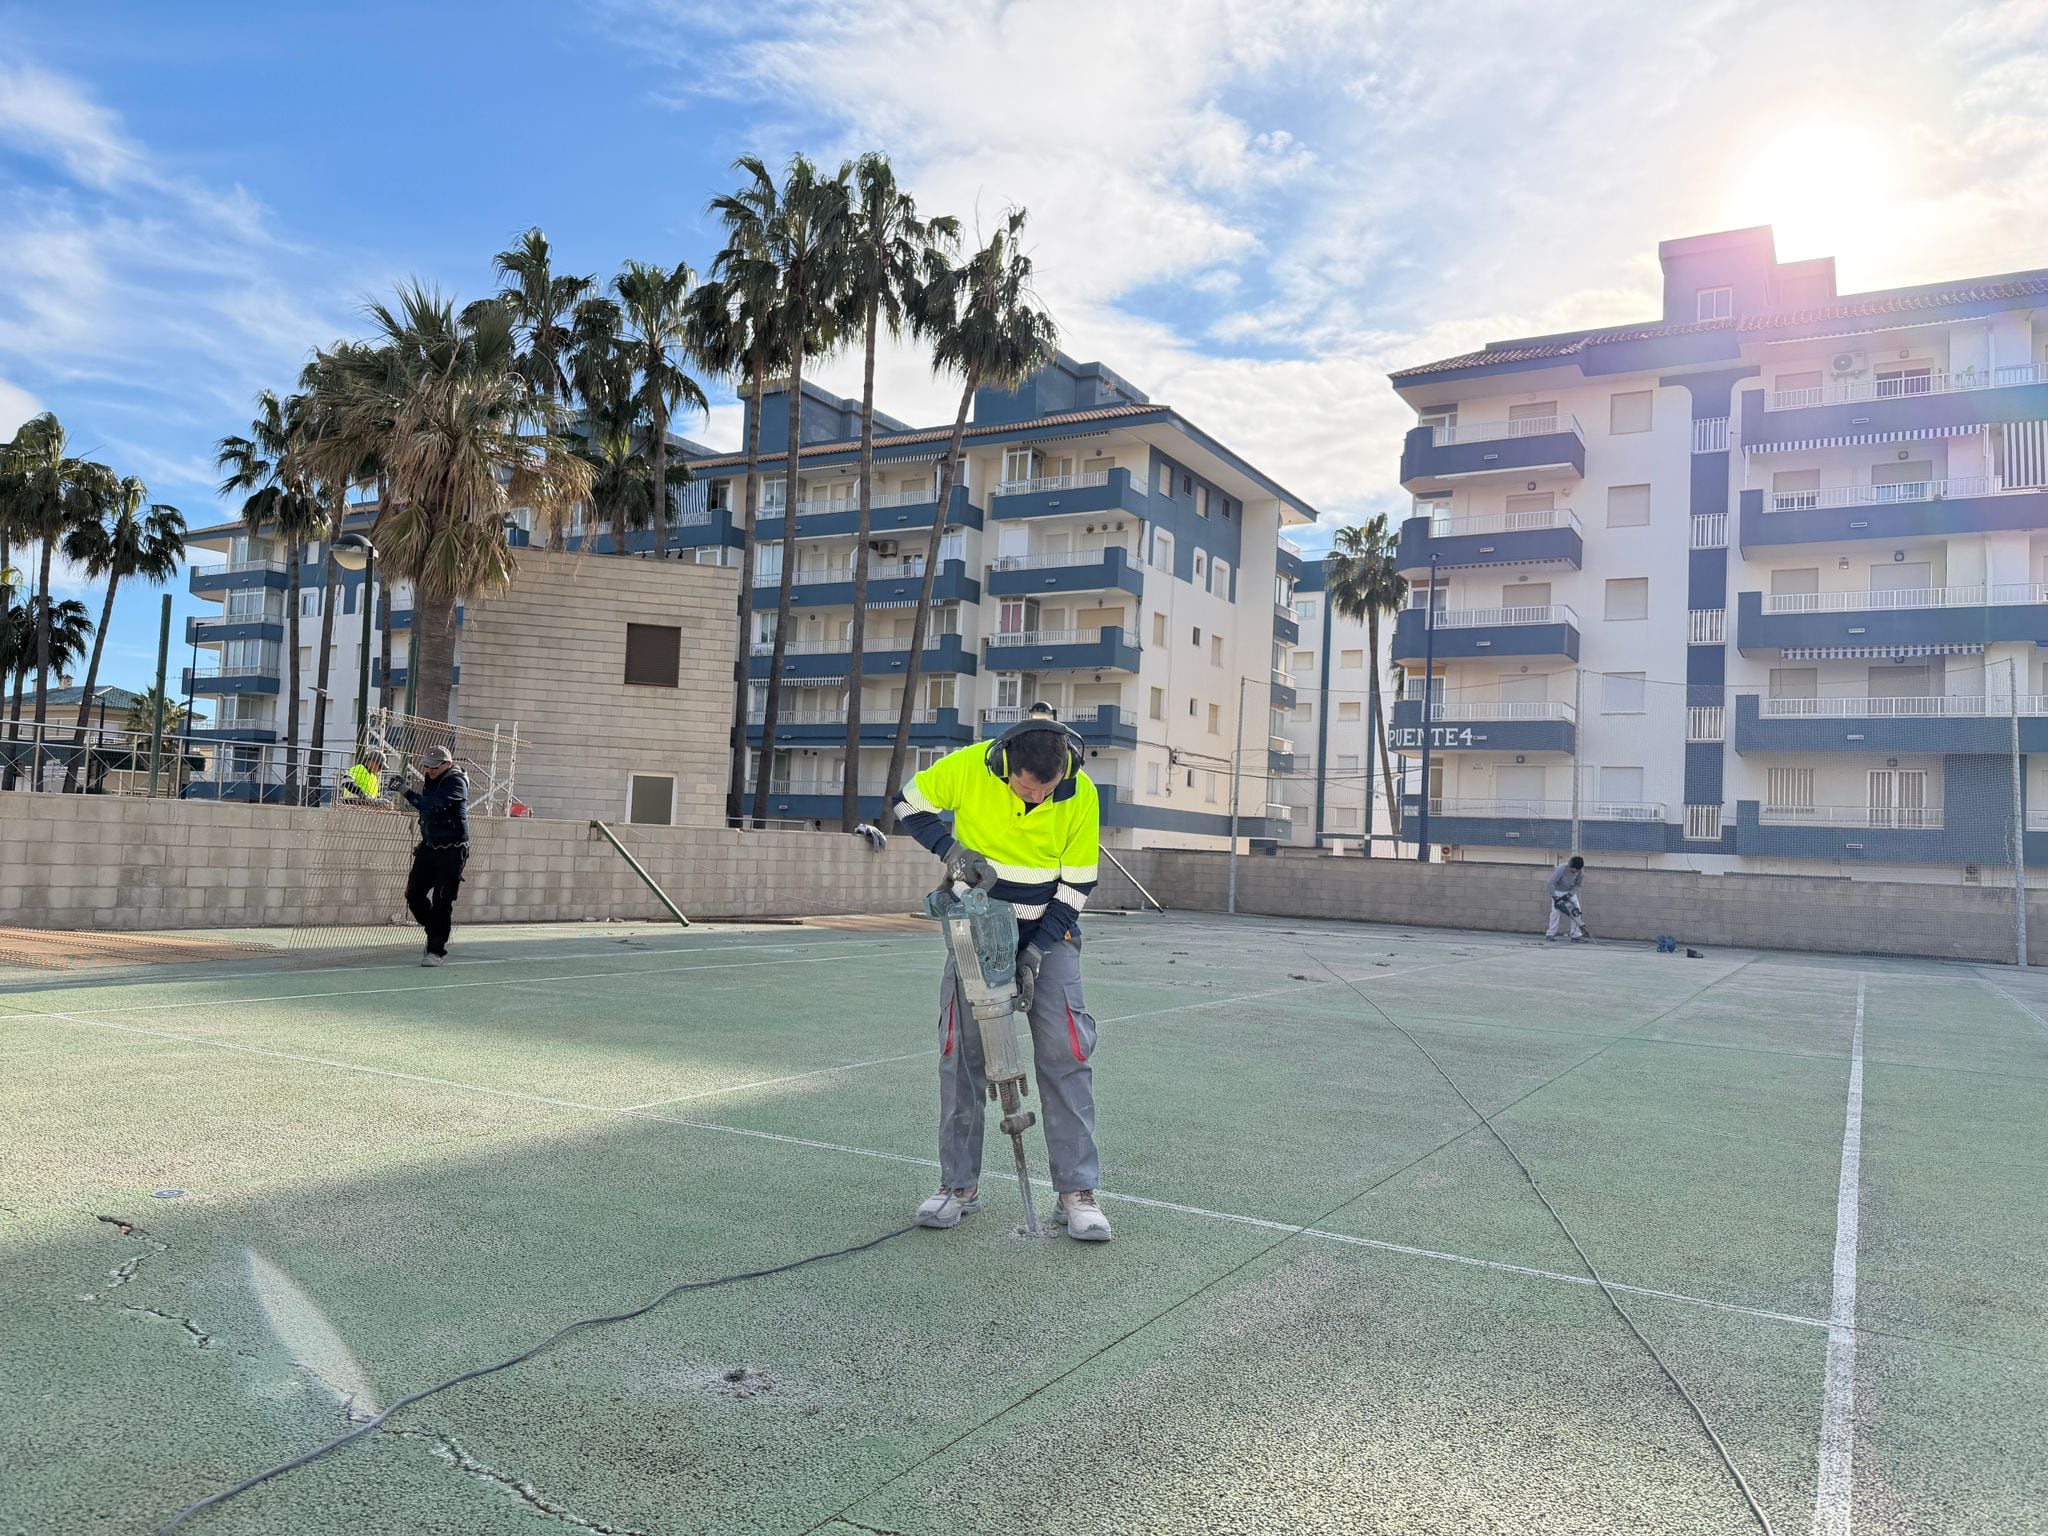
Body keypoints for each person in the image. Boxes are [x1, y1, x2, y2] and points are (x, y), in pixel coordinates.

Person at [892, 708, 1111, 1242]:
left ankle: (1076, 1193)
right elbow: (908, 804)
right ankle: (957, 1186)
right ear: (1004, 760)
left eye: (1046, 791)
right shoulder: (969, 766)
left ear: (1066, 771)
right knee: (961, 1054)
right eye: (1024, 789)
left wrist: (1033, 954)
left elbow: (1077, 887)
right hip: (974, 931)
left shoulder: (1080, 792)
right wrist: (954, 852)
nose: (1033, 800)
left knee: (1065, 1053)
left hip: (1049, 934)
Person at [402, 745, 469, 966]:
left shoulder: (456, 782)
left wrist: (406, 792)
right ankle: (436, 931)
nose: (429, 770)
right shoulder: (432, 781)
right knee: (413, 894)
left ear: (447, 764)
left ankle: (435, 950)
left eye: (434, 766)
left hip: (452, 850)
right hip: (429, 847)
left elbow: (433, 806)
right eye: (427, 767)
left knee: (442, 900)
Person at [1546, 855, 1586, 942]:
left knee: (1576, 912)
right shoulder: (1562, 869)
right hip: (1557, 891)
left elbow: (1578, 885)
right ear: (1570, 865)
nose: (1575, 871)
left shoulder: (1580, 872)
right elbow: (1551, 883)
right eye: (1574, 869)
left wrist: (1569, 894)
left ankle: (1576, 935)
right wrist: (1554, 896)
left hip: (1569, 892)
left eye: (1577, 870)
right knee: (1555, 913)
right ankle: (1550, 934)